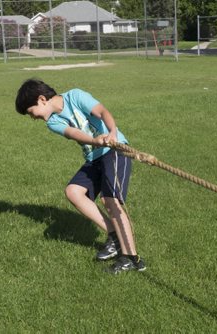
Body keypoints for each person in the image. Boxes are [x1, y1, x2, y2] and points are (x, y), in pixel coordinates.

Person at [15, 78, 145, 274]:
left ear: (42, 99)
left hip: (115, 151)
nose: (33, 118)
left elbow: (102, 112)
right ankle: (115, 235)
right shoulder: (53, 122)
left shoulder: (75, 96)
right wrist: (95, 140)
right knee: (74, 191)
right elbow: (74, 133)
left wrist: (112, 133)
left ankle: (131, 258)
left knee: (111, 200)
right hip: (95, 157)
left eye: (31, 112)